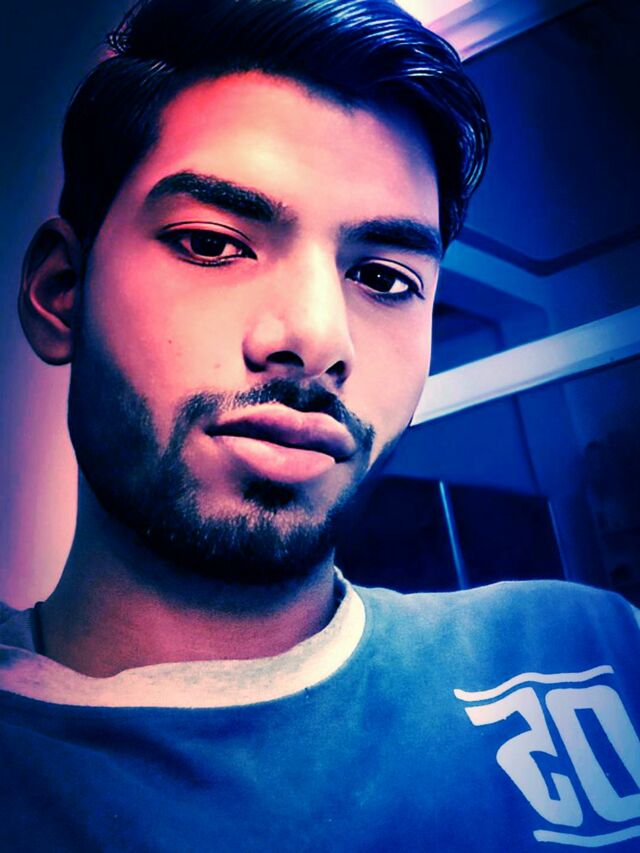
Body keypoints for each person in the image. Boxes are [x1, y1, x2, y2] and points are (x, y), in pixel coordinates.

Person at [1, 0, 638, 849]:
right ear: (61, 293)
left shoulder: (596, 654)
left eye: (384, 277)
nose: (319, 338)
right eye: (212, 243)